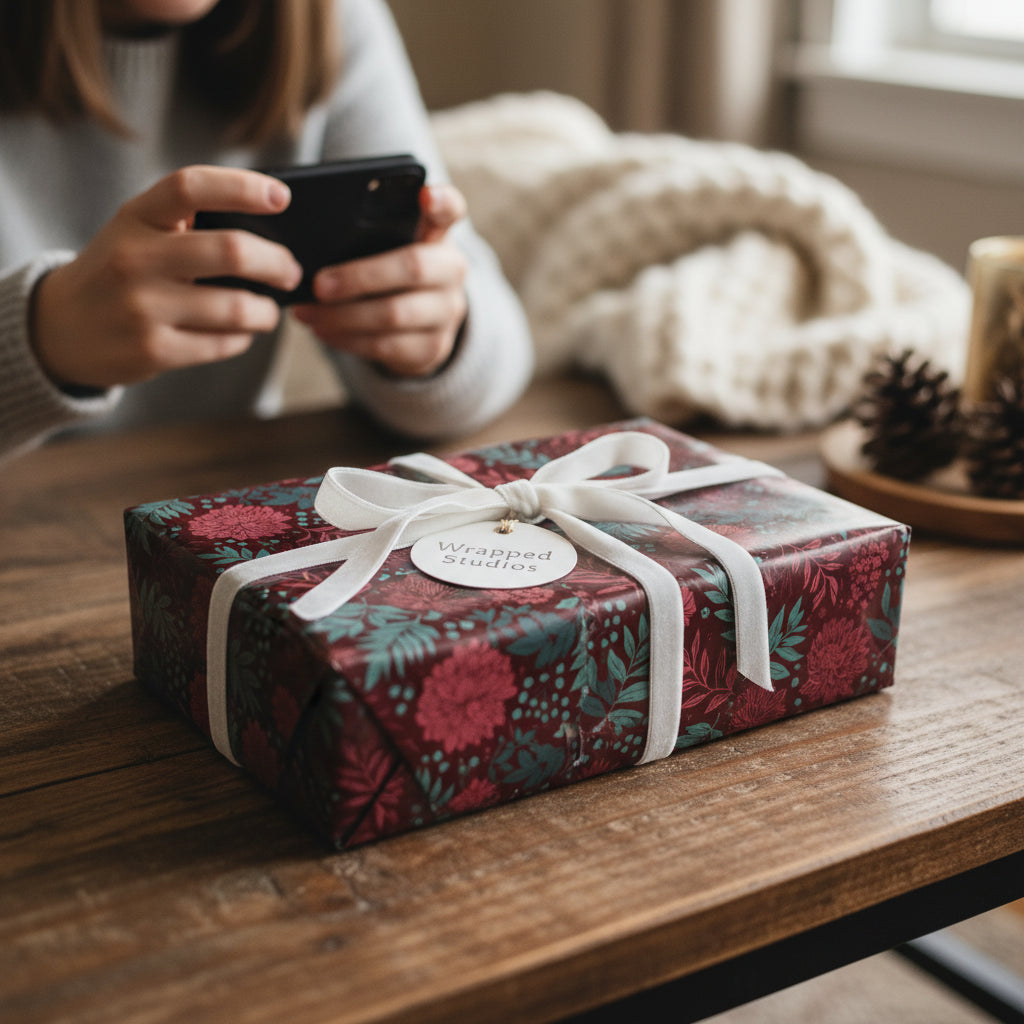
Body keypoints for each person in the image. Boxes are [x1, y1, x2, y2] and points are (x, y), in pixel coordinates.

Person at [0, 0, 534, 460]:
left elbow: (495, 355)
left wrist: (436, 344)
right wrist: (35, 341)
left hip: (223, 522)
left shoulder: (322, 17)